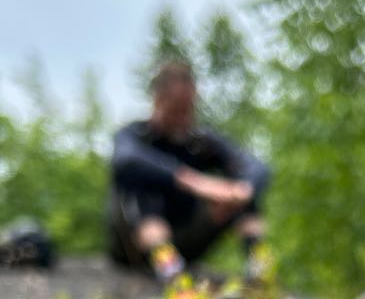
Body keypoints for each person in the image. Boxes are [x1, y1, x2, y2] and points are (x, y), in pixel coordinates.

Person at [107, 61, 271, 284]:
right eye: (176, 108)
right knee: (142, 183)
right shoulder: (135, 135)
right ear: (158, 100)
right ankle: (169, 269)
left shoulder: (200, 142)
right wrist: (193, 181)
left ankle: (261, 268)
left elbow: (256, 166)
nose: (183, 117)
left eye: (188, 108)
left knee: (238, 191)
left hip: (187, 240)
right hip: (134, 247)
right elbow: (124, 162)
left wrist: (242, 190)